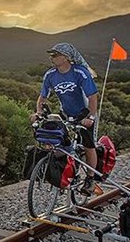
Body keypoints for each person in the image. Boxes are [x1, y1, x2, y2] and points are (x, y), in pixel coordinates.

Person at [32, 42, 99, 195]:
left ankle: (90, 178)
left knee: (88, 145)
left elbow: (93, 96)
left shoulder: (80, 72)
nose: (52, 57)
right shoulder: (50, 75)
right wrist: (38, 112)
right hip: (65, 113)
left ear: (66, 57)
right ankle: (66, 173)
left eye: (55, 55)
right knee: (59, 143)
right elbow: (43, 97)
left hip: (84, 113)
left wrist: (91, 116)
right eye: (51, 55)